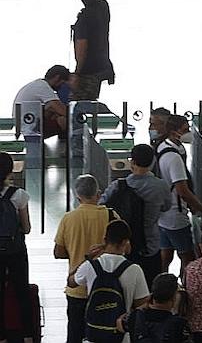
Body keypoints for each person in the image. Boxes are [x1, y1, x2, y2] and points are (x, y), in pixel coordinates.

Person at [98, 144, 171, 282]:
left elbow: (100, 206)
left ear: (132, 162)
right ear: (153, 162)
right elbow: (166, 207)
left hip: (123, 246)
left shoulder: (118, 186)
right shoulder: (161, 186)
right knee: (149, 284)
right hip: (150, 246)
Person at [55, 175, 113, 343]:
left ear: (77, 196)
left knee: (74, 333)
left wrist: (75, 252)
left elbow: (58, 252)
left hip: (77, 288)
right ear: (98, 194)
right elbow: (125, 247)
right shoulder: (111, 215)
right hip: (104, 287)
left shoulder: (68, 218)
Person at [71, 220, 150, 343]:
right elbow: (143, 304)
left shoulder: (90, 266)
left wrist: (87, 258)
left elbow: (71, 282)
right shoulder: (134, 270)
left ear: (104, 239)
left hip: (94, 333)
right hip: (120, 336)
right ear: (125, 242)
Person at [153, 116, 202, 276]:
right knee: (187, 256)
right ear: (173, 131)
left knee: (166, 253)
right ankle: (186, 287)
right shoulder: (174, 158)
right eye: (185, 130)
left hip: (163, 214)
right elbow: (182, 190)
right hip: (176, 215)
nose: (188, 133)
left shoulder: (163, 147)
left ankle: (161, 283)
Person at [0, 153, 32, 343]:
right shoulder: (19, 195)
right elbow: (27, 229)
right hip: (16, 251)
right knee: (22, 292)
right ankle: (28, 335)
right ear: (10, 171)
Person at [71, 0, 113, 101]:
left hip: (87, 71)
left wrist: (77, 73)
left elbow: (82, 47)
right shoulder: (103, 7)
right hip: (102, 65)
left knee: (80, 108)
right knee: (91, 104)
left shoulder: (84, 19)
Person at [10, 64, 71, 138]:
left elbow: (51, 108)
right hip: (29, 128)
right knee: (65, 120)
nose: (62, 86)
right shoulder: (44, 87)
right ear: (57, 78)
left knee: (54, 113)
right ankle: (70, 147)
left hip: (23, 125)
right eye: (63, 83)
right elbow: (62, 110)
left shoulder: (37, 84)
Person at [128, 274, 188, 343]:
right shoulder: (180, 325)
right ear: (174, 298)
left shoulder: (135, 316)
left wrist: (145, 304)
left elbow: (119, 323)